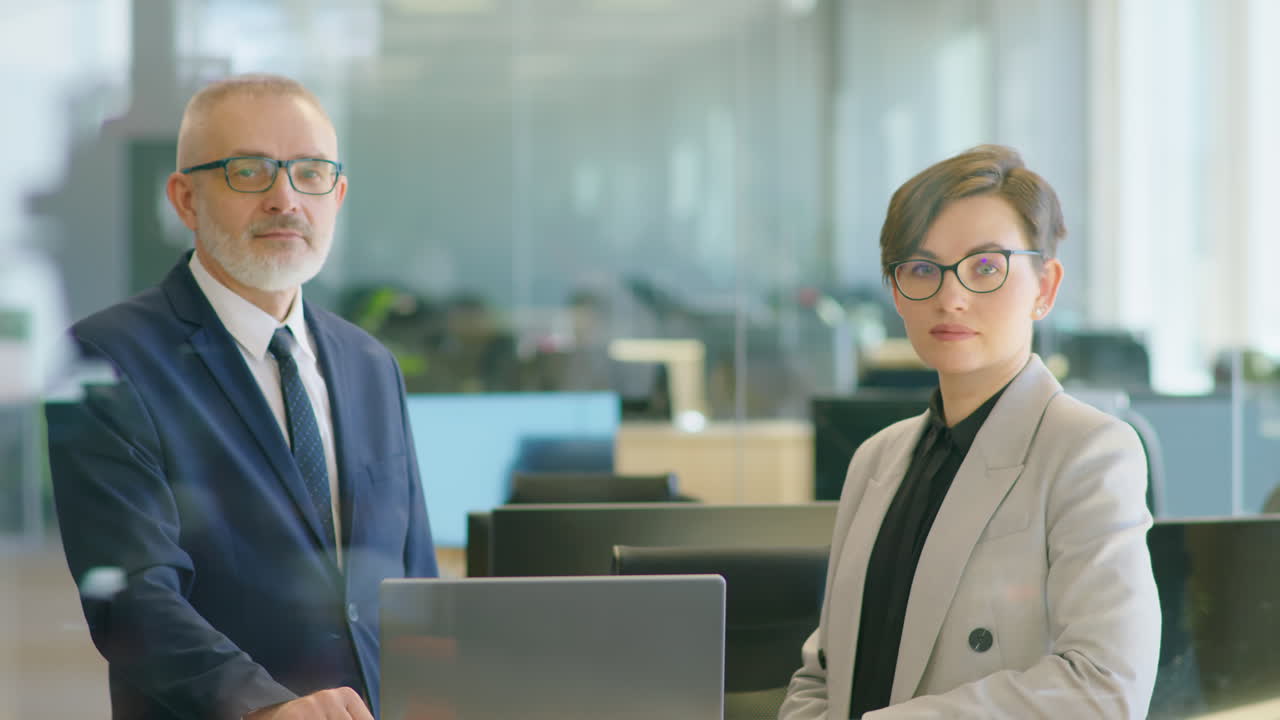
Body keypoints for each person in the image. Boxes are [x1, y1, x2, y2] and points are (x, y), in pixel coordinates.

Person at [46, 74, 437, 720]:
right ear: (185, 199)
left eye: (309, 172)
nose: (285, 199)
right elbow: (132, 599)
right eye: (248, 171)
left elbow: (414, 584)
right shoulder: (106, 361)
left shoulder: (372, 365)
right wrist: (266, 707)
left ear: (337, 195)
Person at [778, 145, 1160, 719]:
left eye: (986, 267)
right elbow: (822, 675)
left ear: (1045, 287)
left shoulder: (1088, 451)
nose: (950, 298)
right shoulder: (875, 459)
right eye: (922, 269)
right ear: (896, 291)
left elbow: (1104, 687)